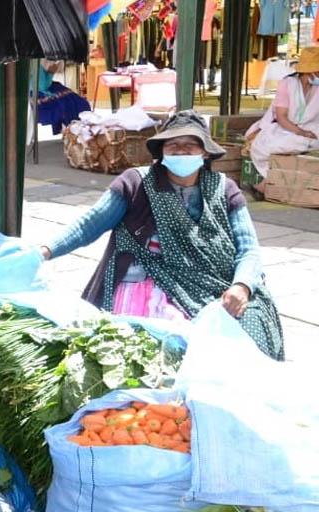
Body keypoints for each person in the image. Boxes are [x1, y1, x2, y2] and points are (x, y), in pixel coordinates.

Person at [40, 111, 285, 360]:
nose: (180, 151)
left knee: (251, 327)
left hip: (210, 283)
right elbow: (88, 225)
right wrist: (45, 251)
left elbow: (248, 248)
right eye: (173, 145)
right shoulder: (135, 182)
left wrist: (241, 286)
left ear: (205, 153)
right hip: (144, 279)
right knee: (167, 346)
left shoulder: (224, 189)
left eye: (190, 146)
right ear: (162, 152)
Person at [246, 47, 319, 179]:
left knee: (310, 139)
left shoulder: (316, 87)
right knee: (267, 146)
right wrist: (301, 132)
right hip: (284, 127)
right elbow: (281, 117)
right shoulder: (288, 84)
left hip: (310, 126)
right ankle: (271, 179)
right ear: (310, 72)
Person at [36, 61, 90, 135]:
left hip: (48, 87)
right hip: (40, 90)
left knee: (74, 100)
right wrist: (51, 72)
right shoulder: (35, 66)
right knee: (66, 102)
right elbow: (42, 86)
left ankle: (73, 126)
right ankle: (70, 126)